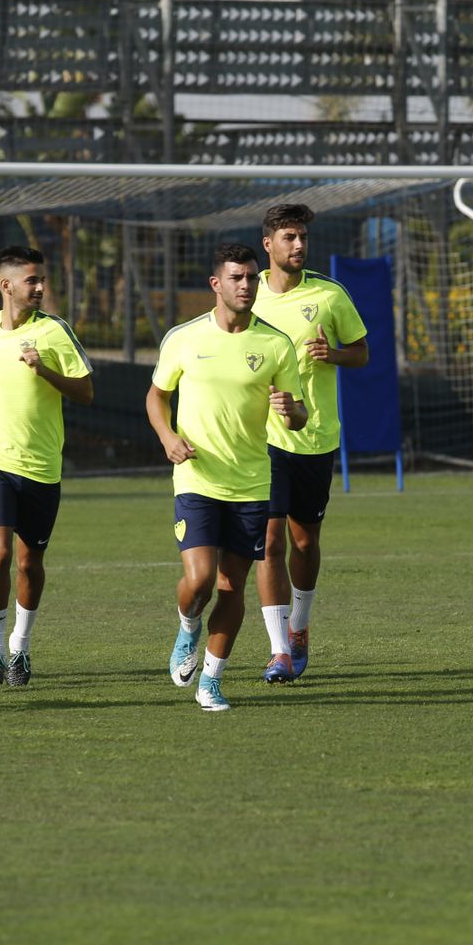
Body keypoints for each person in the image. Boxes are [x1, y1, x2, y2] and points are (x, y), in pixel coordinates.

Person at [147, 242, 306, 711]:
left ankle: (211, 681)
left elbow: (297, 416)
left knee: (232, 588)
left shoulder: (275, 343)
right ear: (216, 284)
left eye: (251, 278)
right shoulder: (184, 338)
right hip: (197, 477)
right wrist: (167, 437)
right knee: (199, 581)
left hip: (252, 484)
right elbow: (156, 397)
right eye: (236, 278)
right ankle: (188, 627)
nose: (245, 285)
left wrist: (290, 409)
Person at [0, 246, 94, 688]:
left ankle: (21, 647)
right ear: (7, 286)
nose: (40, 288)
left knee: (28, 563)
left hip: (41, 467)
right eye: (32, 281)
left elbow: (86, 392)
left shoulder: (55, 332)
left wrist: (45, 373)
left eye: (42, 280)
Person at [250, 204, 368, 683]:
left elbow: (362, 353)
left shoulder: (329, 294)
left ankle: (299, 627)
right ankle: (279, 649)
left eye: (302, 237)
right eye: (289, 238)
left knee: (305, 540)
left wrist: (333, 353)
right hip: (261, 439)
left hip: (316, 436)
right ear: (268, 245)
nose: (298, 246)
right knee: (270, 540)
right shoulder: (246, 292)